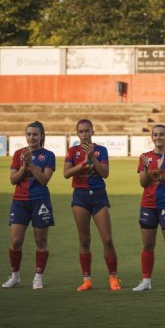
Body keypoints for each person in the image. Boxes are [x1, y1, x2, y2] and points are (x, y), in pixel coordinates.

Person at [63, 119, 121, 292]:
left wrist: (92, 157)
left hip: (98, 196)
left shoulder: (101, 150)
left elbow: (105, 173)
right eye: (81, 131)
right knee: (84, 239)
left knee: (107, 239)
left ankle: (113, 278)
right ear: (77, 133)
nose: (84, 134)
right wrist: (83, 163)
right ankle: (87, 279)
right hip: (80, 196)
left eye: (87, 131)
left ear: (92, 132)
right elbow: (66, 173)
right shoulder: (72, 151)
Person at [2, 121, 55, 289]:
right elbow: (13, 180)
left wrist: (31, 164)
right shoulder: (18, 154)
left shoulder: (48, 155)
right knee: (15, 241)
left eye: (35, 134)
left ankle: (38, 277)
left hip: (40, 201)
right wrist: (24, 166)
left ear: (41, 136)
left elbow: (44, 180)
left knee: (41, 241)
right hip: (19, 202)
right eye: (29, 134)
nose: (31, 137)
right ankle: (15, 276)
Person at [132, 124, 165, 292]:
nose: (158, 137)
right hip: (148, 205)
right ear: (152, 137)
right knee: (148, 245)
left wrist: (162, 172)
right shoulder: (144, 157)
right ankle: (146, 282)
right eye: (155, 134)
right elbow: (143, 183)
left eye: (162, 134)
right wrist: (148, 168)